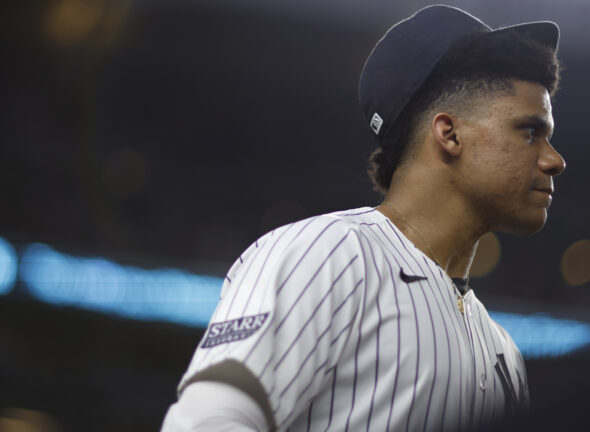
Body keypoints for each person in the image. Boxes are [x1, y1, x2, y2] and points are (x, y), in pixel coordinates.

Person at [162, 4, 565, 431]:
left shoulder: (502, 349)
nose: (554, 160)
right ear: (449, 134)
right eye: (529, 131)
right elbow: (207, 421)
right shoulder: (327, 253)